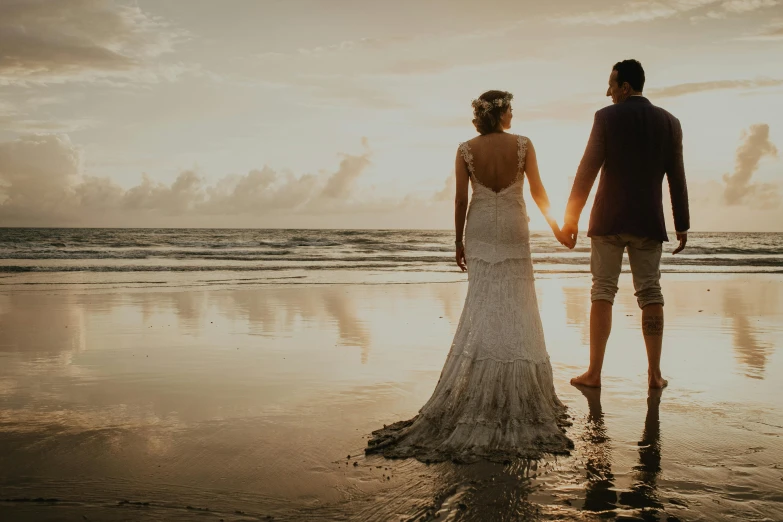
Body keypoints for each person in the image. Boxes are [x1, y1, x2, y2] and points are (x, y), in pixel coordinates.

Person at [366, 90, 573, 463]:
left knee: (483, 304)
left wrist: (457, 241)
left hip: (479, 228)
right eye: (510, 107)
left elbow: (461, 200)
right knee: (517, 306)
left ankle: (486, 385)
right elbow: (540, 191)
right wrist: (557, 228)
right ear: (501, 112)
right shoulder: (524, 144)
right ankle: (515, 390)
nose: (513, 113)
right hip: (512, 226)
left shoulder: (465, 150)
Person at [562, 59, 690, 389]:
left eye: (611, 85)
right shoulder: (670, 123)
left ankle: (593, 374)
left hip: (608, 219)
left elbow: (587, 168)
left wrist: (571, 217)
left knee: (602, 290)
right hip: (648, 220)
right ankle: (654, 374)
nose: (608, 92)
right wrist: (682, 223)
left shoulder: (606, 117)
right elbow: (677, 176)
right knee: (650, 292)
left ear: (625, 88)